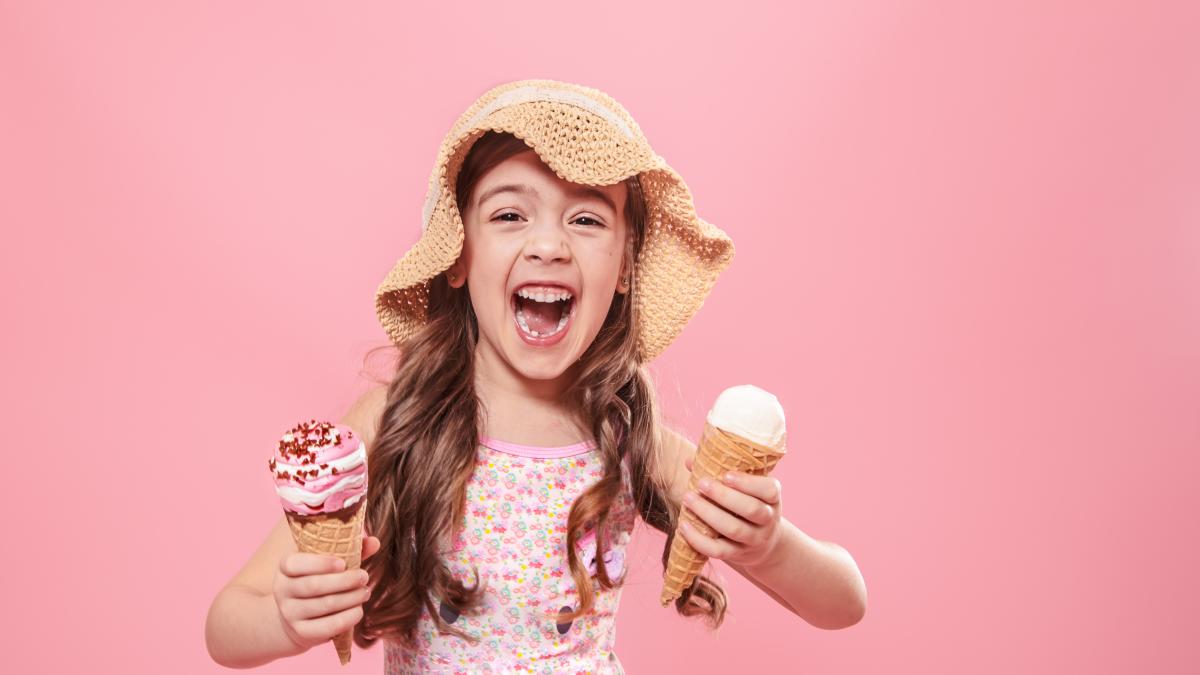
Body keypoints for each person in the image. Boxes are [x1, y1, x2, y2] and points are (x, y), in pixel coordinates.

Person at [205, 79, 866, 672]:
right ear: (458, 255)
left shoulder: (628, 432)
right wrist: (284, 620)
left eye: (585, 218)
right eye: (509, 214)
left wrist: (768, 544)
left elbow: (843, 601)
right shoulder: (394, 418)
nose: (548, 243)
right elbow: (226, 626)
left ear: (626, 268)